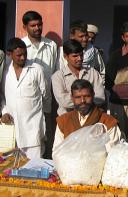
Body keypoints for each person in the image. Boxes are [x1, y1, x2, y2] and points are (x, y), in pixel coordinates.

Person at [0, 38, 50, 159]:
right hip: (11, 129)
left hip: (33, 129)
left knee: (34, 167)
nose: (23, 58)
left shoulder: (37, 69)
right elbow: (2, 95)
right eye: (19, 55)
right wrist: (4, 112)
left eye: (25, 54)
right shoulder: (5, 71)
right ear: (9, 54)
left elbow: (46, 95)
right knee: (10, 169)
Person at [21, 10, 58, 159]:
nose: (37, 28)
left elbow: (56, 72)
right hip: (25, 101)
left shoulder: (51, 45)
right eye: (33, 25)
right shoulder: (21, 45)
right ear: (25, 27)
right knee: (26, 138)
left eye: (39, 24)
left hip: (46, 100)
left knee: (44, 137)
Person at [53, 79, 121, 152]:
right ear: (72, 98)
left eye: (87, 96)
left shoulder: (107, 122)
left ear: (93, 95)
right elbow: (57, 151)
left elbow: (113, 153)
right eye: (78, 97)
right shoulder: (64, 121)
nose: (83, 101)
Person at [105, 20, 128, 141]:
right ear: (123, 38)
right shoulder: (115, 56)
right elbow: (108, 83)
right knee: (120, 140)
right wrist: (127, 92)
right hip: (119, 105)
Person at [52, 39, 105, 116]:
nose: (79, 59)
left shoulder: (93, 73)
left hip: (91, 118)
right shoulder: (58, 76)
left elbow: (100, 98)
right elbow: (63, 102)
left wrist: (75, 98)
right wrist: (88, 97)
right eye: (75, 56)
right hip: (68, 119)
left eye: (81, 55)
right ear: (65, 56)